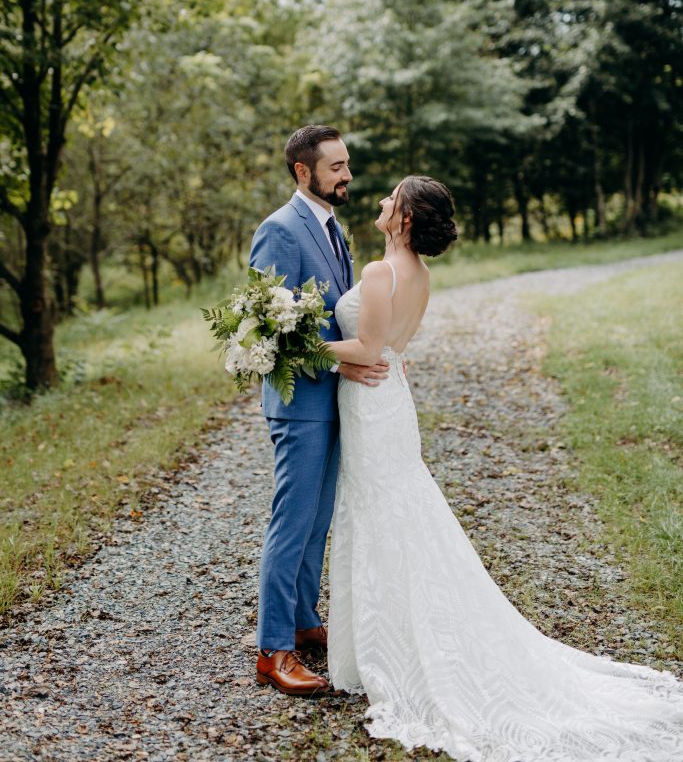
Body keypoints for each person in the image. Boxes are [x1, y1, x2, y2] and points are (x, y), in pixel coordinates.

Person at [325, 174, 683, 761]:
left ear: (406, 217)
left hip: (373, 404)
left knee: (383, 514)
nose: (383, 201)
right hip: (390, 402)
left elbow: (367, 351)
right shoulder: (420, 275)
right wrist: (357, 359)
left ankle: (396, 650)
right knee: (396, 513)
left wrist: (300, 345)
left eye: (392, 197)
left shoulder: (378, 273)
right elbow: (395, 347)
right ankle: (387, 639)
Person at [249, 125, 389, 696]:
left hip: (334, 400)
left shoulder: (334, 230)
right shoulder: (279, 230)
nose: (347, 175)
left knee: (318, 520)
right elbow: (268, 327)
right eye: (335, 167)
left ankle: (305, 621)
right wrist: (338, 363)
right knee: (292, 521)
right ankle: (273, 648)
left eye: (347, 164)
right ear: (303, 172)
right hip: (300, 403)